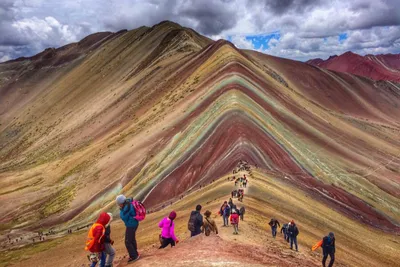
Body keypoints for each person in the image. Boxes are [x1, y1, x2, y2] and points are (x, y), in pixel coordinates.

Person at [116, 195, 140, 263]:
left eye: (119, 204)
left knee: (127, 241)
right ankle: (135, 253)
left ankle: (134, 256)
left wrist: (121, 210)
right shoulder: (129, 203)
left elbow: (123, 217)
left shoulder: (126, 208)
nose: (119, 205)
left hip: (131, 225)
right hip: (134, 223)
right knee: (132, 239)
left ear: (121, 203)